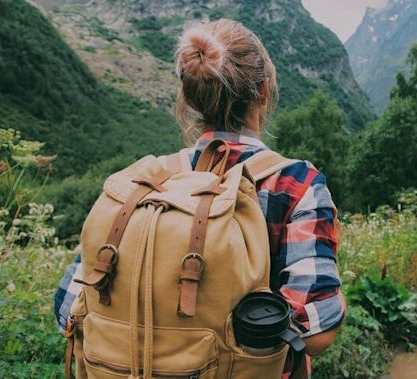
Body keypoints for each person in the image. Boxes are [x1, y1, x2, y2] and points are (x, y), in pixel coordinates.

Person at [53, 19, 345, 377]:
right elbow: (315, 332)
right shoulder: (295, 184)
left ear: (190, 99)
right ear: (264, 91)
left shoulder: (148, 182)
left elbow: (68, 308)